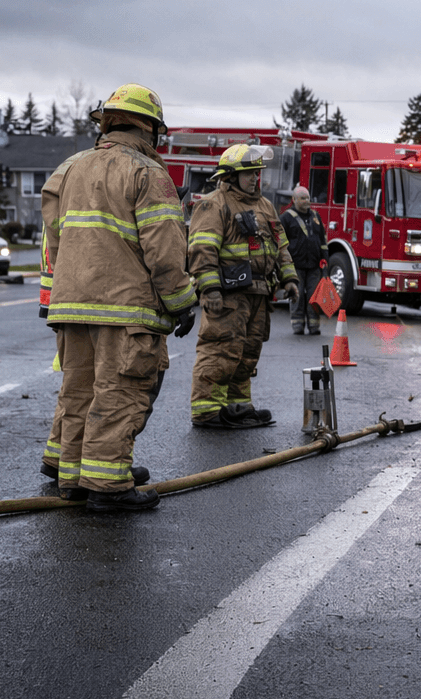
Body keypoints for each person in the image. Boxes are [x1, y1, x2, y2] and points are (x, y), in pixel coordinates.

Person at [40, 84, 197, 511]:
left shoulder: (72, 168)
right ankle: (108, 487)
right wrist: (182, 301)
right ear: (150, 128)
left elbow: (54, 238)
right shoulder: (147, 173)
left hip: (71, 303)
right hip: (125, 308)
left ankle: (73, 478)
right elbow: (165, 251)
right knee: (118, 393)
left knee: (79, 393)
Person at [187, 144, 299, 428]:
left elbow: (280, 246)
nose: (255, 179)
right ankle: (207, 410)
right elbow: (202, 250)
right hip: (228, 295)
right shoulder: (214, 203)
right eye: (248, 174)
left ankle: (237, 406)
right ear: (230, 176)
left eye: (257, 173)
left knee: (247, 352)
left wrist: (290, 279)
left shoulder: (265, 206)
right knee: (221, 349)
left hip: (258, 294)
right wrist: (210, 289)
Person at [279, 185, 327, 336]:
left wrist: (325, 261)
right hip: (295, 266)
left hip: (314, 265)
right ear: (294, 200)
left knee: (314, 297)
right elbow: (280, 243)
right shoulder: (285, 218)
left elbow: (323, 241)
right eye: (302, 198)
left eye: (308, 198)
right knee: (297, 296)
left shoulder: (315, 216)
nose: (307, 201)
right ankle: (297, 326)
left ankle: (314, 327)